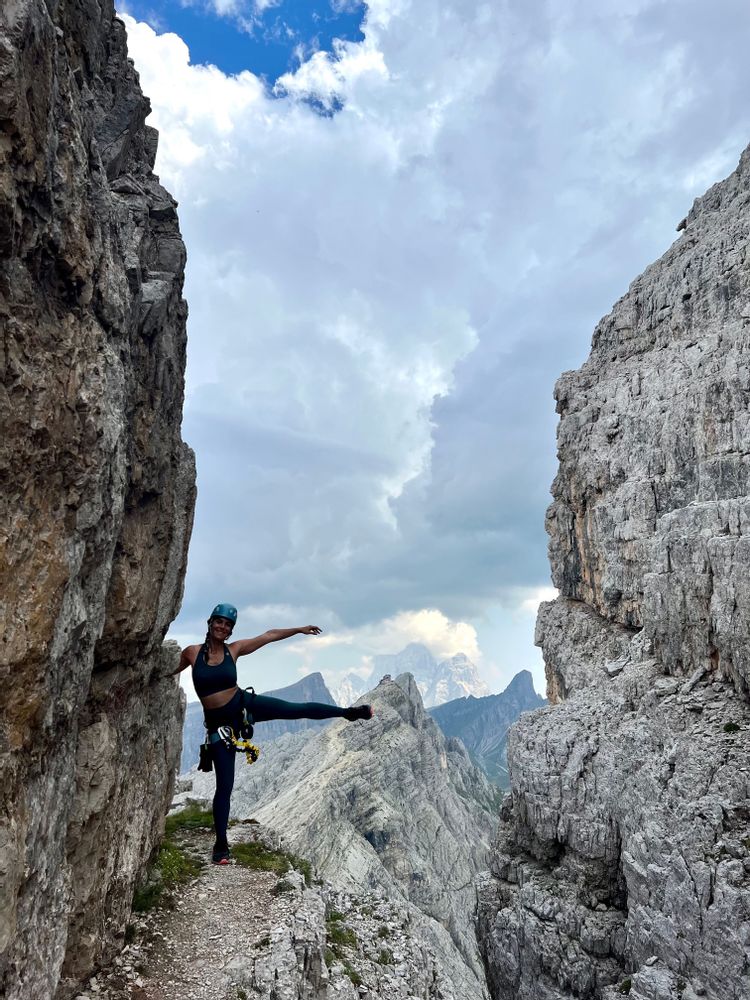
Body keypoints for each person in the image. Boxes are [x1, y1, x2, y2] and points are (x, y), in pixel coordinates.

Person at [174, 603, 373, 863]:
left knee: (295, 709)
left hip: (243, 705)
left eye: (228, 625)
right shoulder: (192, 653)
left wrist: (298, 629)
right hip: (220, 728)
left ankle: (348, 712)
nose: (223, 627)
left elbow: (267, 636)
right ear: (210, 623)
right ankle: (220, 845)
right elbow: (169, 668)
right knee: (224, 786)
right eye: (219, 622)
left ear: (230, 631)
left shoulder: (233, 650)